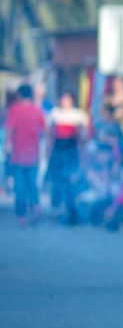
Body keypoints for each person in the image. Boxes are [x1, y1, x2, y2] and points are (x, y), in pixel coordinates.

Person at [4, 84, 46, 225]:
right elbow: (44, 132)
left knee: (20, 186)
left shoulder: (14, 110)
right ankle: (35, 206)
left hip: (18, 154)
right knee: (32, 184)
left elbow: (10, 130)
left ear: (19, 95)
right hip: (33, 153)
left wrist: (6, 146)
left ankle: (21, 216)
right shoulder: (37, 111)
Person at [46, 92, 89, 223]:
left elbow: (84, 135)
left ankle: (70, 207)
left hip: (71, 149)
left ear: (72, 100)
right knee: (57, 178)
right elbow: (49, 134)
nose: (65, 101)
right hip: (58, 149)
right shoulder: (55, 113)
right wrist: (49, 150)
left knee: (71, 177)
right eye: (63, 99)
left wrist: (82, 152)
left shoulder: (79, 115)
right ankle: (56, 205)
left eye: (67, 99)